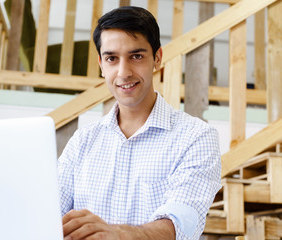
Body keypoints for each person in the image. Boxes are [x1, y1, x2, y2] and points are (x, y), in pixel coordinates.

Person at [58, 6, 221, 240]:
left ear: (157, 58)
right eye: (112, 58)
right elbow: (51, 216)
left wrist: (116, 234)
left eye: (136, 56)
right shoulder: (82, 141)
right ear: (101, 65)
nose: (123, 72)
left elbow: (181, 224)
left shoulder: (196, 137)